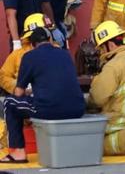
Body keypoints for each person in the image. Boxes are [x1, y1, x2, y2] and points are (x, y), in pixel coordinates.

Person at [1, 27, 85, 163]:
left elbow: (18, 93)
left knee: (9, 103)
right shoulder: (65, 54)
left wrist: (30, 92)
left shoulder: (29, 57)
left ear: (32, 44)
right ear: (50, 40)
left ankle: (18, 152)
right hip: (77, 108)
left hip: (49, 109)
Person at [89, 21, 125, 156]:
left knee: (87, 145)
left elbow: (97, 99)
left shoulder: (113, 66)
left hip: (118, 120)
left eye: (101, 49)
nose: (101, 53)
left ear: (109, 44)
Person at [0, 14, 54, 95]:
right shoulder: (18, 54)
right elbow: (3, 76)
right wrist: (17, 87)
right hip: (26, 97)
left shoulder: (57, 51)